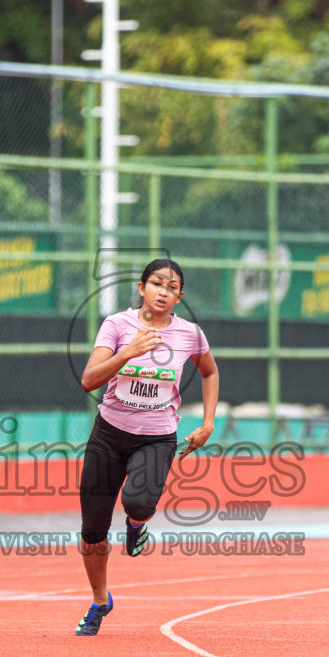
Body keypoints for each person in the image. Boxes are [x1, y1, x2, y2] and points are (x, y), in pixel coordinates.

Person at [74, 258, 219, 636]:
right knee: (93, 530)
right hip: (108, 433)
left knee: (139, 502)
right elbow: (89, 380)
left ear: (179, 298)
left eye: (172, 288)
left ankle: (137, 523)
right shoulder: (117, 325)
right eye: (157, 283)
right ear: (141, 288)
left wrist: (207, 423)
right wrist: (128, 352)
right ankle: (99, 600)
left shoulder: (190, 334)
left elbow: (210, 372)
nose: (163, 292)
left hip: (157, 436)